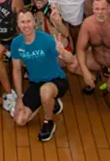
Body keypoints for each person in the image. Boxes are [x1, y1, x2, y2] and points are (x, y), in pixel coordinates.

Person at [10, 9, 73, 143]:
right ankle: (51, 102)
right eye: (22, 22)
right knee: (20, 120)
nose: (26, 25)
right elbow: (16, 70)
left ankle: (48, 122)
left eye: (28, 21)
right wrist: (20, 99)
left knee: (45, 91)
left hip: (56, 80)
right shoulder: (16, 43)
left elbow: (71, 60)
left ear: (34, 23)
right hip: (37, 83)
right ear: (18, 25)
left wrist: (63, 52)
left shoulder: (47, 40)